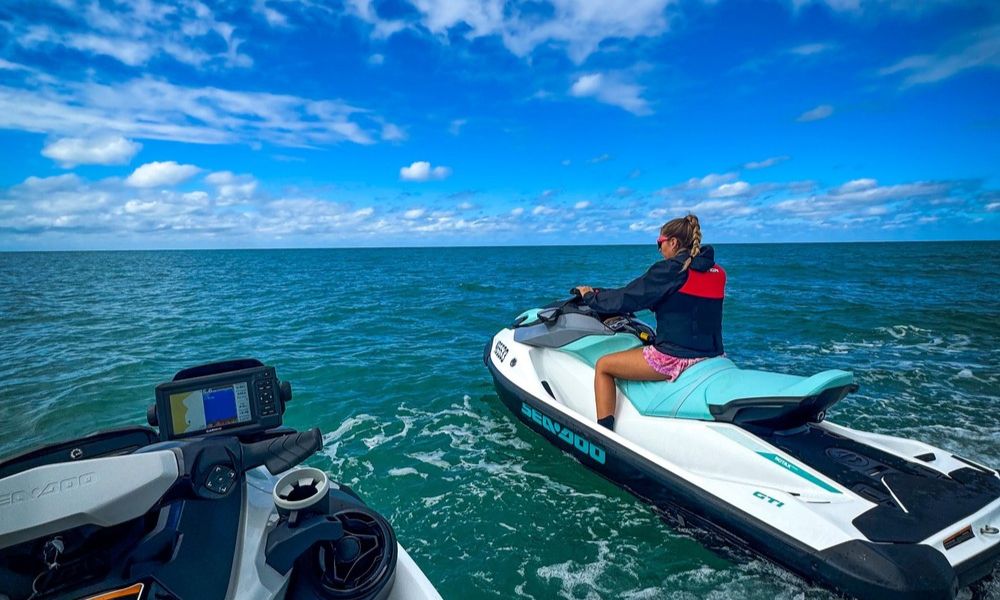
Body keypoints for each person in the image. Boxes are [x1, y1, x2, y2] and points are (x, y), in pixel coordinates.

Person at [573, 215, 725, 431]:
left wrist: (591, 297)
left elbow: (628, 298)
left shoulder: (671, 270)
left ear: (673, 242)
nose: (659, 249)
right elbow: (684, 304)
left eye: (659, 243)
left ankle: (603, 433)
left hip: (675, 357)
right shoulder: (718, 272)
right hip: (713, 354)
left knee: (604, 366)